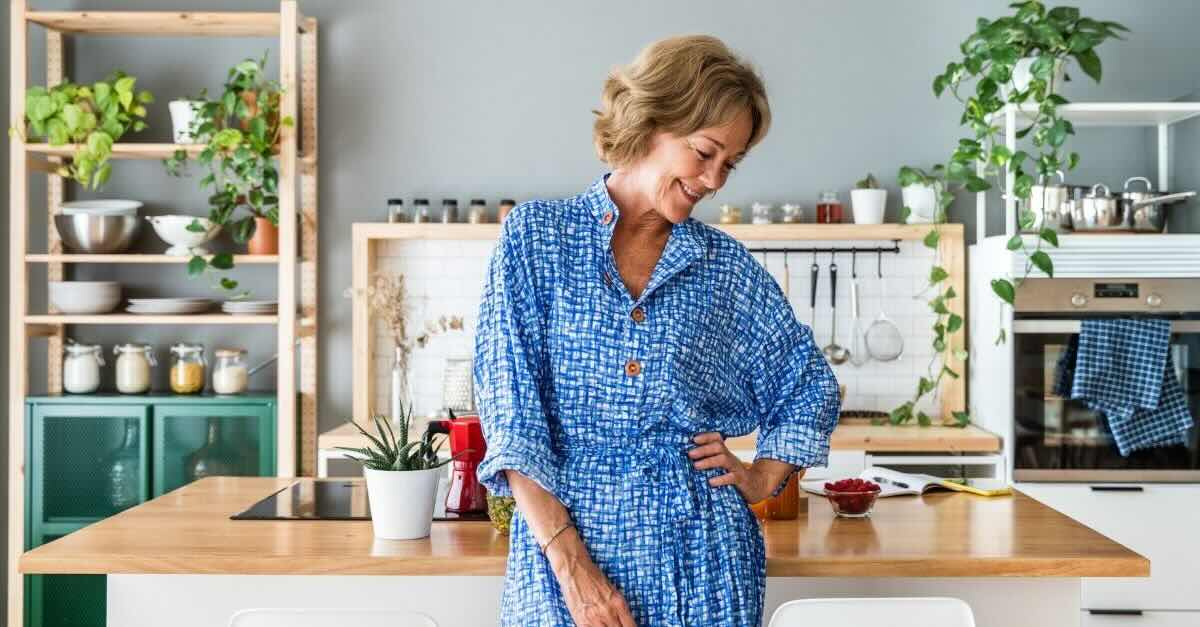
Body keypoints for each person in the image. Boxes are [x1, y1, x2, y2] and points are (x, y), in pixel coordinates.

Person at [472, 34, 841, 627]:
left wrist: (761, 476)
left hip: (706, 566)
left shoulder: (724, 267)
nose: (715, 179)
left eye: (730, 163)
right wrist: (572, 568)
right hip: (564, 565)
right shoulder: (538, 238)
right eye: (704, 152)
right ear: (651, 122)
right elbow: (511, 418)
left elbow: (808, 385)